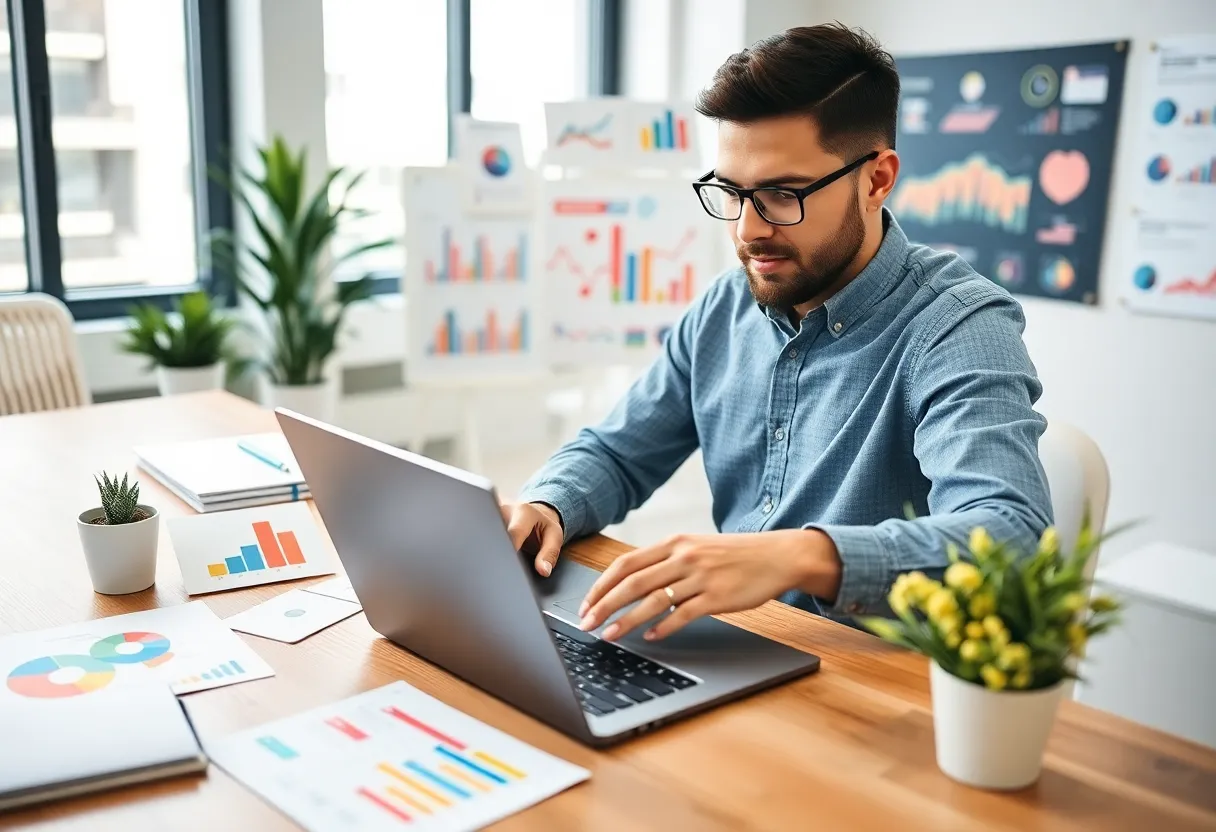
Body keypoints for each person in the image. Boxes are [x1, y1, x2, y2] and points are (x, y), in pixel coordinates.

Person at [501, 23, 1052, 643]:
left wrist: (797, 556)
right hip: (735, 649)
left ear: (876, 179)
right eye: (731, 193)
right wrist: (547, 504)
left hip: (869, 683)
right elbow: (617, 451)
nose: (745, 230)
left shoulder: (958, 326)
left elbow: (1012, 535)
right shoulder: (725, 307)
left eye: (781, 195)